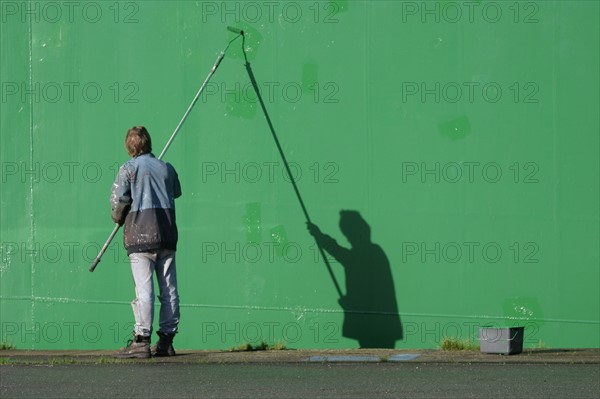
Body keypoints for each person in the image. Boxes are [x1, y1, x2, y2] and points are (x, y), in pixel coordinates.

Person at [110, 126, 182, 358]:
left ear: (129, 147)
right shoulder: (167, 168)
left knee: (144, 291)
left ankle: (141, 340)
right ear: (149, 143)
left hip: (140, 235)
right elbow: (176, 191)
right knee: (169, 290)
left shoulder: (128, 169)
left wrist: (118, 216)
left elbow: (119, 204)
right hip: (166, 233)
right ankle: (166, 341)